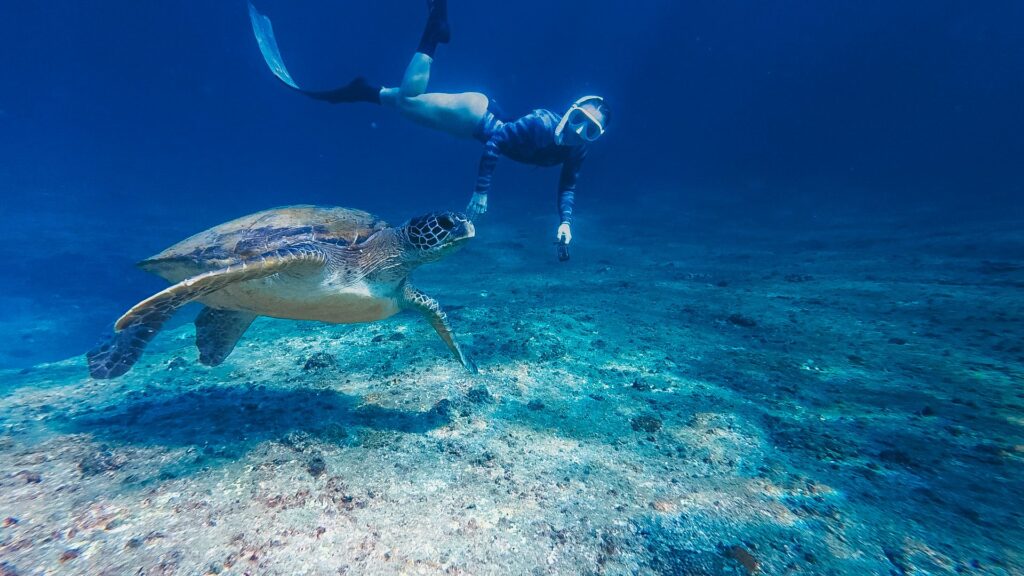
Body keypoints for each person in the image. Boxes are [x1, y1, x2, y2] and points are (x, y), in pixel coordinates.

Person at [248, 0, 610, 250]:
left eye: (590, 130)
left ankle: (361, 91)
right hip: (477, 116)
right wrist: (481, 192)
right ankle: (435, 28)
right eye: (580, 120)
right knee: (409, 102)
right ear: (570, 110)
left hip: (471, 126)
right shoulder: (541, 124)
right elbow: (497, 141)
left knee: (407, 103)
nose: (580, 131)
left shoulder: (578, 150)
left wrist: (566, 222)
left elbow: (568, 186)